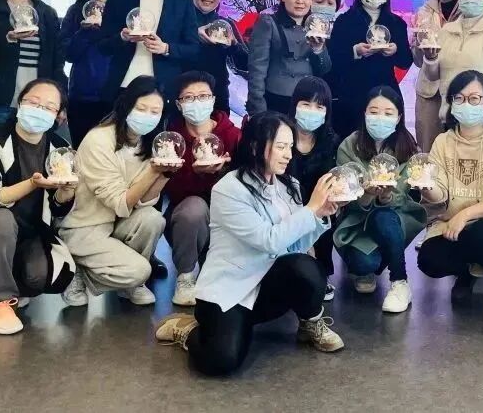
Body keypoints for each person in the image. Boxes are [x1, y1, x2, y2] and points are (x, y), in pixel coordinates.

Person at [154, 112, 345, 376]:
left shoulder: (289, 185)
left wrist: (321, 215)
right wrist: (311, 208)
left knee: (307, 267)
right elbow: (269, 240)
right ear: (255, 146)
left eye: (290, 147)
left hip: (266, 285)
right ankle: (188, 330)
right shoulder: (228, 189)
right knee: (221, 361)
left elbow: (295, 245)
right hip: (231, 289)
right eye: (280, 146)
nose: (288, 155)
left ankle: (310, 322)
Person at [0, 79, 77, 335]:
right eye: (33, 102)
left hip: (30, 232)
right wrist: (32, 183)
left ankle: (5, 275)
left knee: (40, 276)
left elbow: (57, 210)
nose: (39, 110)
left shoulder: (59, 149)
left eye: (49, 107)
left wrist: (66, 192)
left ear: (58, 115)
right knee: (1, 221)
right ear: (20, 102)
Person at [418, 70, 483, 323]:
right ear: (451, 103)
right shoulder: (443, 142)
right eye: (459, 98)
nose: (467, 104)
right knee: (428, 259)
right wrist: (426, 187)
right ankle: (466, 272)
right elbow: (440, 194)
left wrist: (466, 214)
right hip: (451, 225)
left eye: (475, 98)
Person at [59, 76, 169, 306]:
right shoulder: (99, 140)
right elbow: (119, 202)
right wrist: (153, 170)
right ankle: (77, 268)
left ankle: (130, 285)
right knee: (141, 270)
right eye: (141, 108)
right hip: (87, 226)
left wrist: (165, 174)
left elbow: (144, 201)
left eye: (155, 112)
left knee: (153, 219)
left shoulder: (147, 142)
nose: (147, 116)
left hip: (119, 223)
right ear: (126, 106)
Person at [334, 86, 426, 313]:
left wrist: (386, 196)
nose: (380, 118)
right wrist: (366, 194)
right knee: (365, 263)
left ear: (399, 117)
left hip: (394, 218)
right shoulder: (349, 145)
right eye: (373, 112)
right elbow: (345, 194)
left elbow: (403, 195)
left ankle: (400, 281)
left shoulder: (409, 148)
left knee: (383, 217)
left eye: (388, 113)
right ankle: (371, 264)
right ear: (364, 114)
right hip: (357, 222)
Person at [162, 71, 241, 306]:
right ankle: (185, 276)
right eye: (189, 97)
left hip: (226, 218)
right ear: (179, 104)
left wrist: (224, 172)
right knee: (193, 209)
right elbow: (171, 191)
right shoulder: (171, 140)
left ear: (213, 99)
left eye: (203, 96)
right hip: (188, 222)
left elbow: (247, 182)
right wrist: (195, 174)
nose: (197, 102)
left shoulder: (233, 135)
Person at [99, 0, 200, 105]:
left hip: (163, 88)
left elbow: (193, 49)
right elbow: (102, 45)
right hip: (123, 85)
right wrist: (123, 37)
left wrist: (166, 48)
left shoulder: (182, 0)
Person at [327, 0, 413, 137]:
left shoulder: (396, 23)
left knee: (387, 143)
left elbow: (405, 61)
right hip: (351, 95)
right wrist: (355, 51)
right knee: (349, 143)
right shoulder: (344, 21)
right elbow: (333, 58)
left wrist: (395, 51)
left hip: (386, 93)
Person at [246, 0, 331, 115]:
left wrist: (318, 49)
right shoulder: (268, 23)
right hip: (275, 101)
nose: (300, 1)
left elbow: (325, 68)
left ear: (311, 0)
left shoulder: (317, 26)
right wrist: (258, 109)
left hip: (307, 102)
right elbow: (257, 69)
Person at [59, 0, 121, 148]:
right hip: (82, 96)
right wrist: (84, 31)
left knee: (112, 149)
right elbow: (67, 53)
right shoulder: (75, 10)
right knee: (82, 148)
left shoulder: (123, 11)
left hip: (116, 95)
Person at [288, 76, 340, 300]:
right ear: (295, 105)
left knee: (327, 211)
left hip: (319, 208)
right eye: (306, 104)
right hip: (285, 207)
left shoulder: (331, 141)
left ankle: (322, 271)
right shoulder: (281, 136)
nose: (312, 111)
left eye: (319, 107)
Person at [412, 0, 462, 151]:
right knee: (428, 148)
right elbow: (418, 61)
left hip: (461, 89)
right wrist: (420, 49)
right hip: (429, 92)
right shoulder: (423, 13)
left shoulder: (469, 11)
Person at [189, 0, 249, 114]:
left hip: (217, 99)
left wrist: (234, 44)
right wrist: (193, 34)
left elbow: (245, 64)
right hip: (185, 96)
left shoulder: (226, 24)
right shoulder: (179, 21)